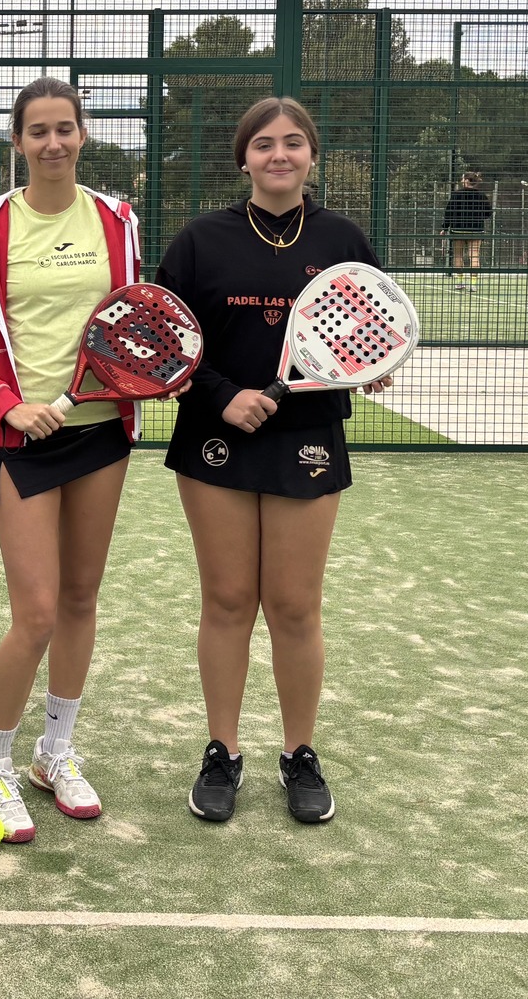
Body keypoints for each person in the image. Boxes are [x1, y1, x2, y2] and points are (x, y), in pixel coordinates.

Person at [156, 96, 393, 826]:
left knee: (294, 606)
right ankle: (222, 752)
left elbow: (367, 331)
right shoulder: (200, 241)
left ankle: (299, 754)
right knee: (228, 601)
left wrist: (373, 367)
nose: (279, 154)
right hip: (215, 437)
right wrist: (224, 396)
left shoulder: (344, 239)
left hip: (308, 438)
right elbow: (164, 342)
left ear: (312, 154)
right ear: (244, 159)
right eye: (264, 144)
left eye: (293, 142)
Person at [0, 76, 141, 844]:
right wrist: (6, 404)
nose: (53, 142)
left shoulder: (117, 218)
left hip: (101, 431)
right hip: (19, 441)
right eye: (38, 130)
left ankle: (55, 752)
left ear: (82, 133)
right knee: (36, 612)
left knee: (81, 599)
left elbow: (129, 318)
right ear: (18, 140)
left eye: (65, 128)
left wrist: (137, 374)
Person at [440, 170, 493, 291]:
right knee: (474, 255)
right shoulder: (481, 195)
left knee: (458, 255)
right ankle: (473, 284)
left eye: (463, 178)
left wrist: (444, 227)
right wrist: (478, 217)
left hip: (458, 229)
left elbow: (449, 212)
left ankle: (460, 282)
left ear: (467, 181)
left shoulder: (456, 195)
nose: (461, 180)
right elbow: (488, 213)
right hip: (476, 230)